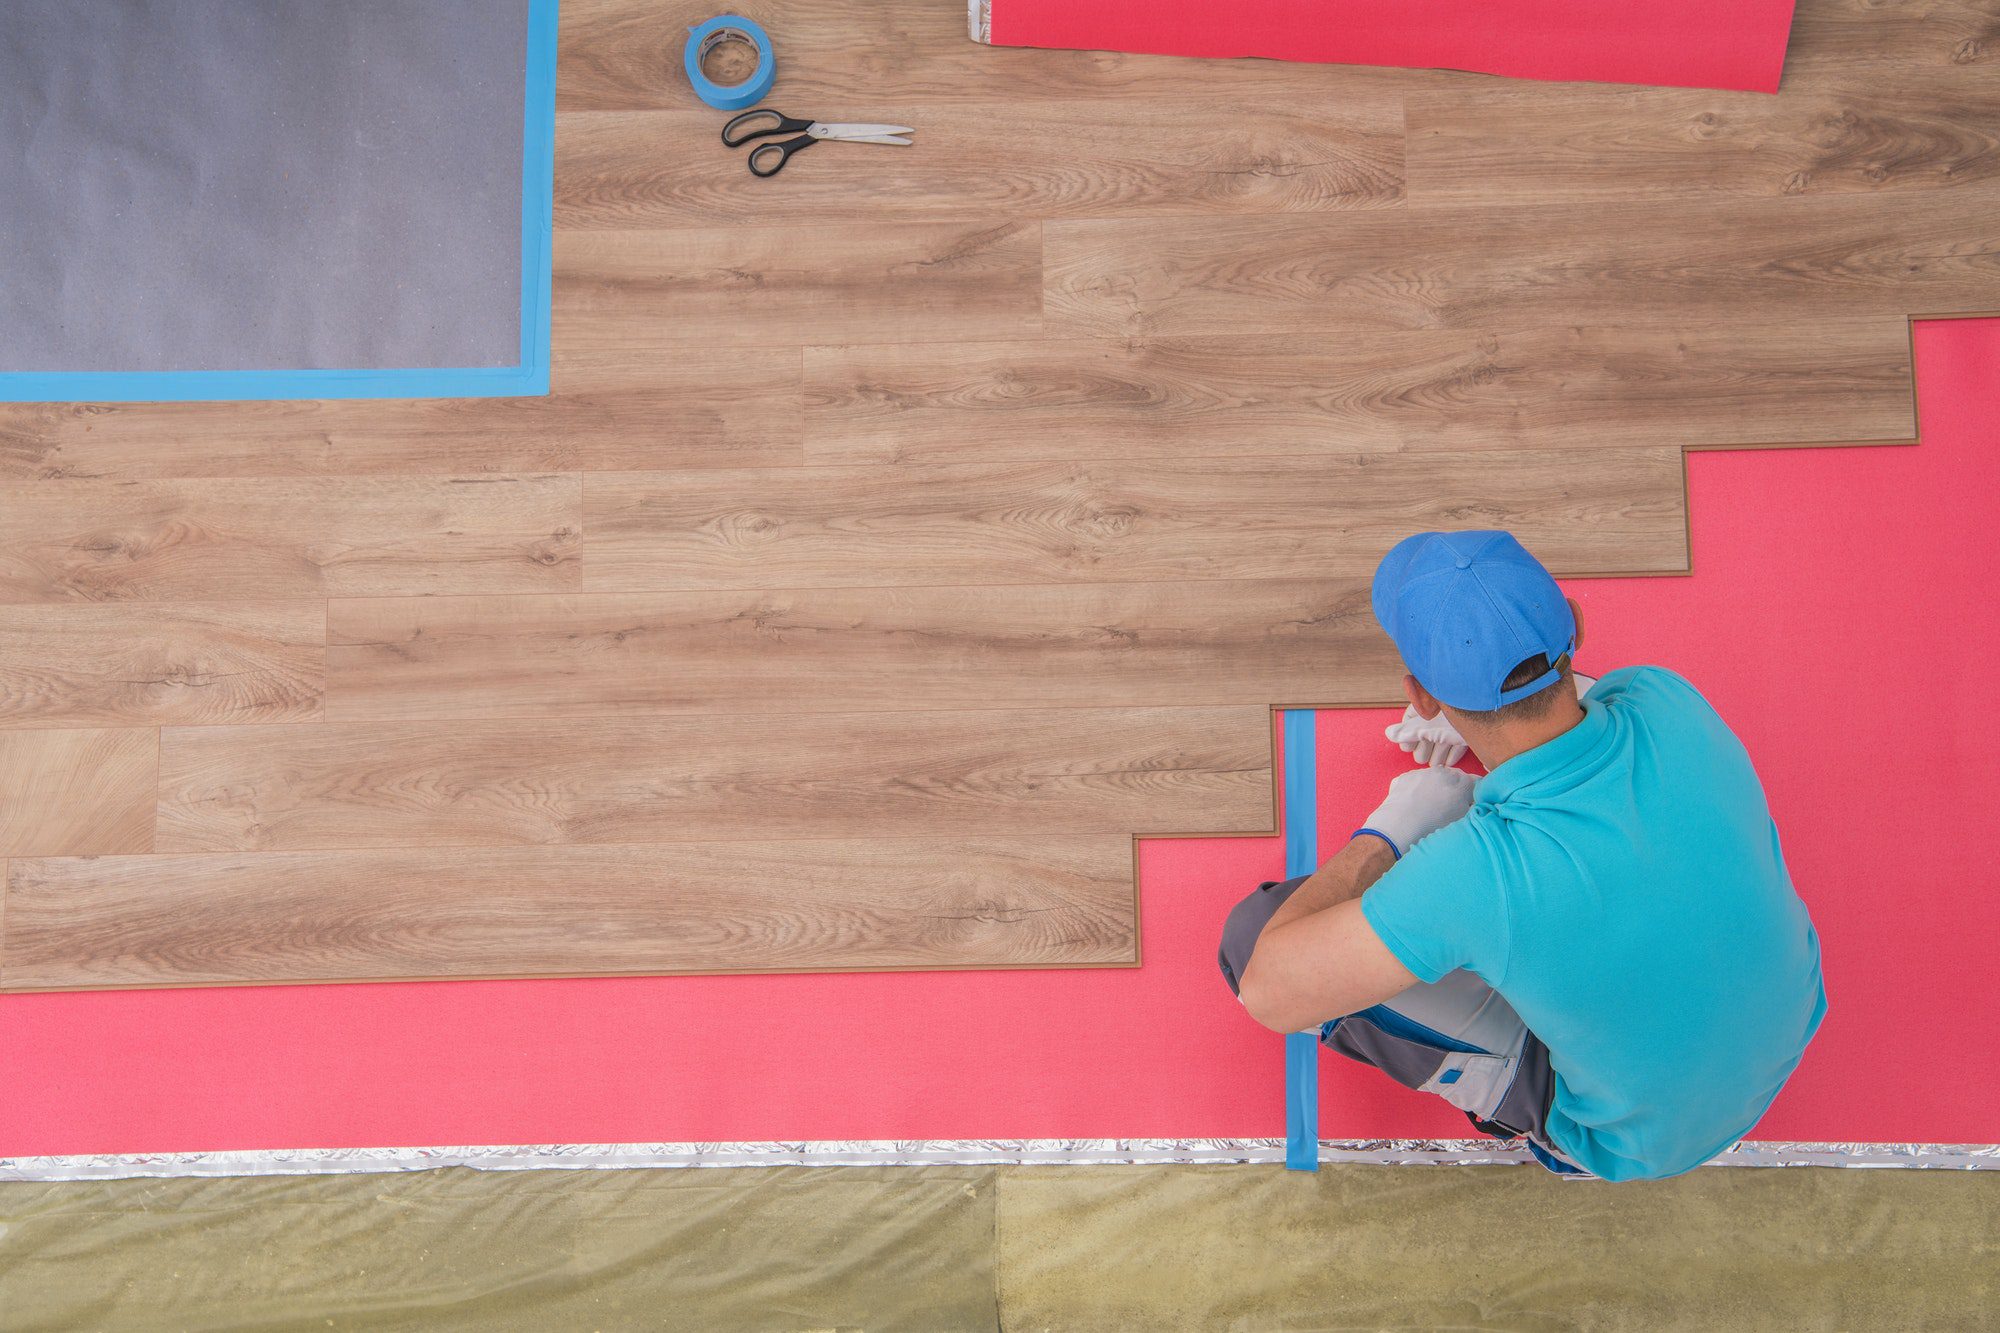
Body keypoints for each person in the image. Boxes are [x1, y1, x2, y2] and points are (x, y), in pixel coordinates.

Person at [1217, 530, 1826, 1180]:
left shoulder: (1470, 871)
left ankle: (1547, 1129)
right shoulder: (1666, 697)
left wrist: (1399, 824)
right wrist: (1476, 718)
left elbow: (1269, 991)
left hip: (1634, 1139)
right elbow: (1585, 698)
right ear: (1579, 625)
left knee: (1251, 933)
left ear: (1420, 695)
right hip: (1783, 1036)